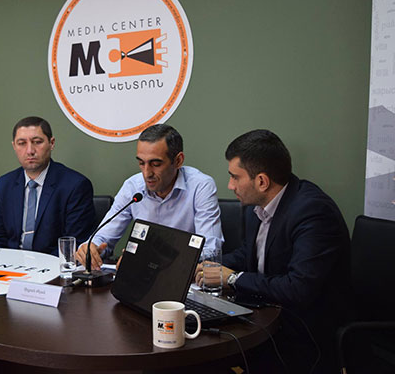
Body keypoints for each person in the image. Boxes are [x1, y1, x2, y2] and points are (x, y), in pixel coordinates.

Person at [195, 129, 351, 373]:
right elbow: (248, 254)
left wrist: (233, 278)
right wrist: (208, 267)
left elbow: (298, 288)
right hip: (266, 318)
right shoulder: (258, 205)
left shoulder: (313, 212)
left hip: (303, 336)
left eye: (235, 177)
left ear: (261, 181)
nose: (230, 185)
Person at [77, 124, 224, 269]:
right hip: (141, 279)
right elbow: (103, 237)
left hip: (182, 277)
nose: (147, 173)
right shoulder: (133, 187)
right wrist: (92, 248)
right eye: (141, 163)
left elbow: (211, 251)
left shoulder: (200, 186)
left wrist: (148, 258)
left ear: (178, 161)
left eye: (156, 164)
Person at [0, 116, 96, 255]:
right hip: (11, 264)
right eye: (22, 143)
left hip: (53, 264)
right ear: (14, 146)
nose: (30, 151)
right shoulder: (5, 184)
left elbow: (73, 243)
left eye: (37, 142)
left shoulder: (75, 185)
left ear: (51, 143)